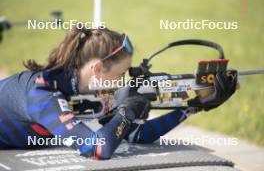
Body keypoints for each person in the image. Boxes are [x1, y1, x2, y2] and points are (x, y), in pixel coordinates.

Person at [0, 26, 237, 159]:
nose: (123, 81)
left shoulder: (88, 89)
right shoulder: (41, 95)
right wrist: (126, 111)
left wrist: (194, 106)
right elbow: (97, 149)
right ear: (97, 69)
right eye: (120, 74)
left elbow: (136, 135)